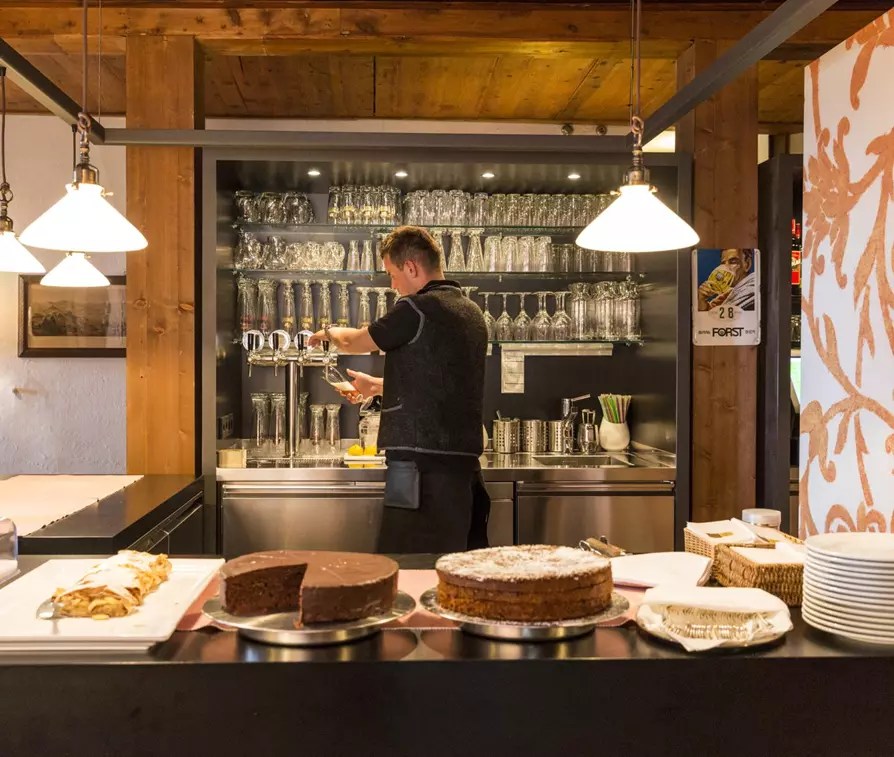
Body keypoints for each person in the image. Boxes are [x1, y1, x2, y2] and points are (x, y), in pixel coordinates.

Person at [309, 226, 490, 553]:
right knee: (450, 564)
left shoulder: (416, 309)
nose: (393, 286)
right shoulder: (471, 312)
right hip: (462, 473)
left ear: (411, 267)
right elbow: (443, 383)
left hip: (420, 469)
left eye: (392, 275)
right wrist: (378, 387)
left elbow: (356, 341)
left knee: (409, 562)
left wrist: (327, 333)